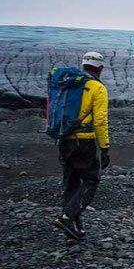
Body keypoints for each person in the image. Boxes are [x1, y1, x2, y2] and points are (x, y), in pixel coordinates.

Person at [53, 51, 110, 244]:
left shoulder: (68, 84)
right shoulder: (96, 87)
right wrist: (104, 147)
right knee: (91, 180)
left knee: (71, 183)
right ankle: (68, 218)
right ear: (99, 67)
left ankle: (73, 232)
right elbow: (101, 120)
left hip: (63, 140)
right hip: (83, 140)